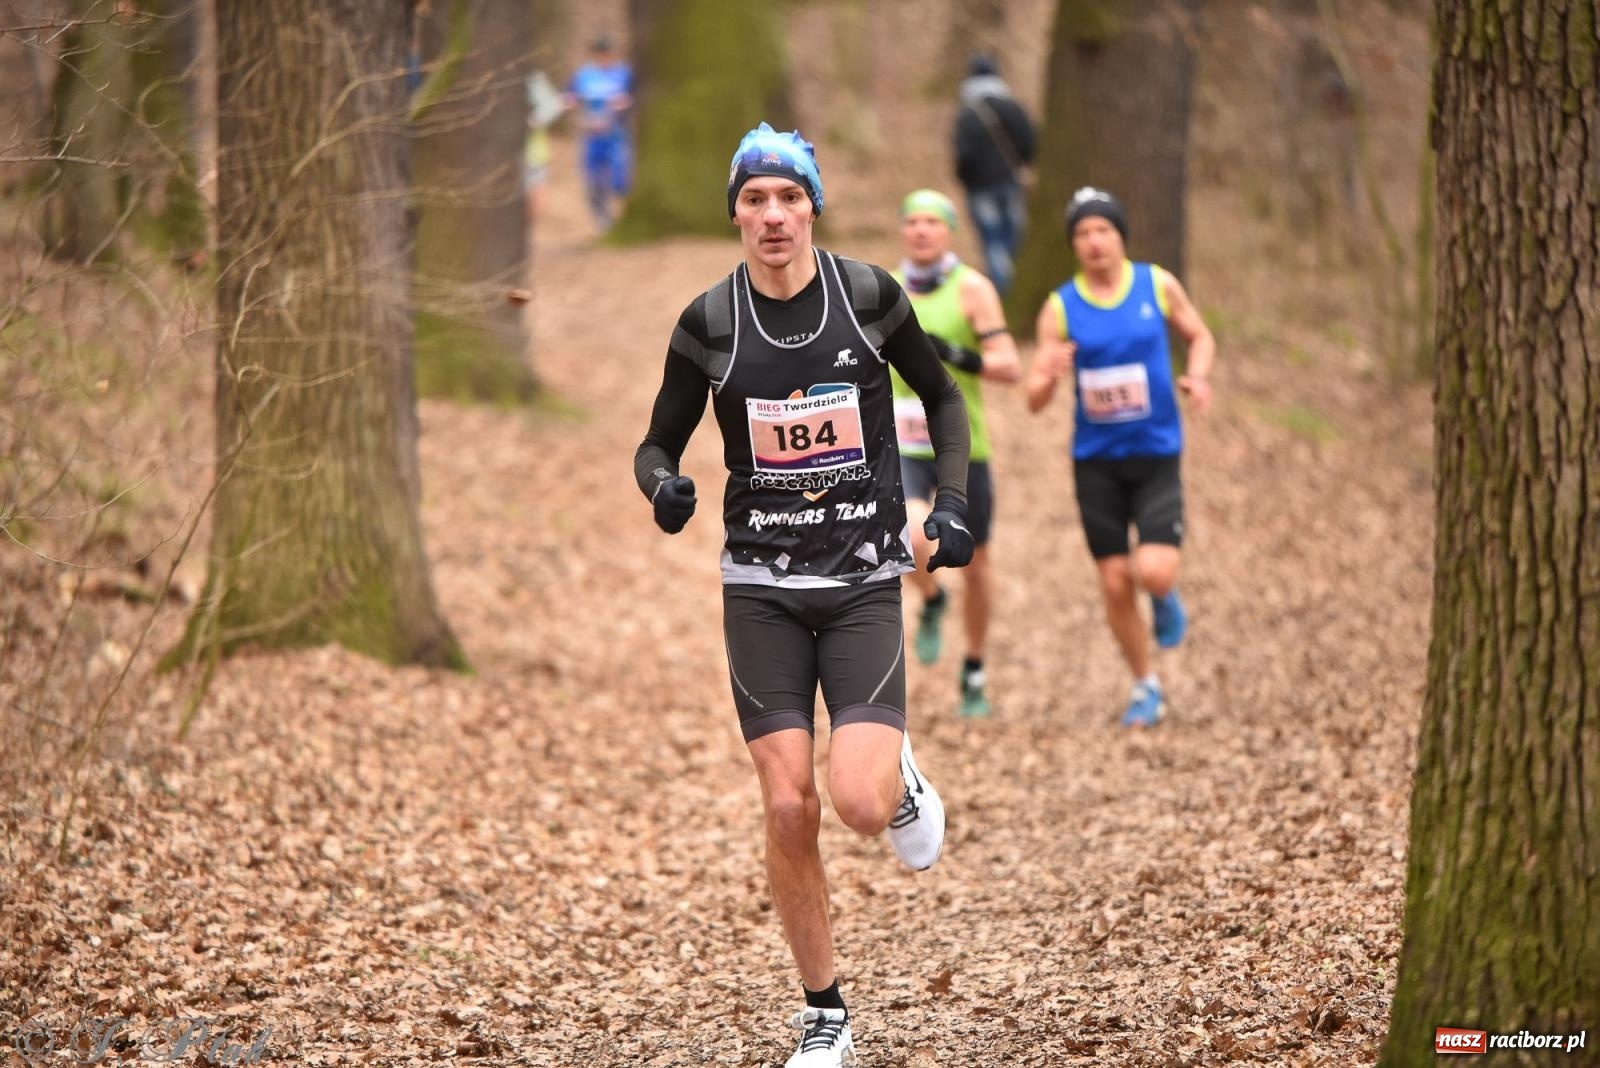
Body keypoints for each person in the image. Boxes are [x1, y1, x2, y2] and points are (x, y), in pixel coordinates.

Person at [634, 123, 976, 1068]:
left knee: (857, 805)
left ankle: (897, 780)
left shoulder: (867, 297)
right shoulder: (709, 323)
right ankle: (826, 1016)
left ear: (812, 207)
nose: (773, 216)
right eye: (755, 200)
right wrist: (663, 487)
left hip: (864, 578)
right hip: (762, 588)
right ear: (736, 215)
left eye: (789, 198)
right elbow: (655, 441)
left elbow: (944, 400)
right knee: (789, 808)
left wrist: (949, 506)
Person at [1026, 187, 1216, 728]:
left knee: (1153, 570)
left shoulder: (1156, 284)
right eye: (1082, 234)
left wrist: (1197, 377)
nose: (1093, 241)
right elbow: (1034, 400)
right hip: (1097, 461)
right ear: (1073, 245)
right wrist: (1049, 372)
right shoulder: (1060, 306)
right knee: (1113, 581)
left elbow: (1200, 336)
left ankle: (1163, 595)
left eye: (1102, 230)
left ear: (1120, 236)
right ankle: (1144, 684)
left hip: (1156, 453)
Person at [889, 189, 1021, 717]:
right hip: (900, 439)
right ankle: (932, 597)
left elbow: (1009, 365)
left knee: (977, 561)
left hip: (966, 444)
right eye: (912, 221)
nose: (921, 230)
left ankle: (974, 665)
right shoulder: (886, 289)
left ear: (949, 232)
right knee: (907, 529)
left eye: (932, 222)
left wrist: (955, 355)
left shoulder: (973, 290)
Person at [952, 54, 1036, 296]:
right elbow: (1030, 142)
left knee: (993, 244)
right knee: (1014, 244)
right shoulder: (1013, 107)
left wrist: (966, 180)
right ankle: (1019, 291)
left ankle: (1003, 295)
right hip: (1011, 183)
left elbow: (963, 156)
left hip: (980, 189)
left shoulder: (967, 115)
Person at [564, 35, 634, 232]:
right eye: (600, 55)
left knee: (620, 180)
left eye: (607, 54)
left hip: (616, 134)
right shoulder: (583, 75)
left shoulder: (624, 74)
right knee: (593, 181)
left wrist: (624, 103)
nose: (604, 58)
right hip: (591, 135)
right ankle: (603, 222)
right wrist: (572, 102)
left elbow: (634, 96)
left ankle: (621, 217)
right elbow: (568, 96)